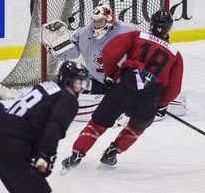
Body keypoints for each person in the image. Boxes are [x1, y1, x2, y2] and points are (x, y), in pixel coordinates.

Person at [61, 9, 184, 169]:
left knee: (97, 124)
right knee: (136, 128)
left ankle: (76, 154)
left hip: (123, 89)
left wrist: (110, 75)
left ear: (151, 24)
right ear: (169, 29)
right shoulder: (176, 55)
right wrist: (159, 104)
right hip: (147, 99)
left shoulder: (137, 36)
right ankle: (112, 152)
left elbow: (109, 52)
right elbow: (174, 89)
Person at [0, 61, 90, 193]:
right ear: (69, 80)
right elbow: (54, 128)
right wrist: (46, 155)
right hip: (11, 145)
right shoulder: (68, 99)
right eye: (80, 82)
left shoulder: (47, 86)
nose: (83, 88)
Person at [50, 3, 139, 94]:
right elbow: (72, 51)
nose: (96, 24)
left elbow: (141, 49)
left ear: (109, 19)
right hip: (96, 80)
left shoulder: (128, 30)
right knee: (69, 88)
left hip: (122, 81)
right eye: (94, 21)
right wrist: (56, 48)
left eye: (100, 20)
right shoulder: (84, 33)